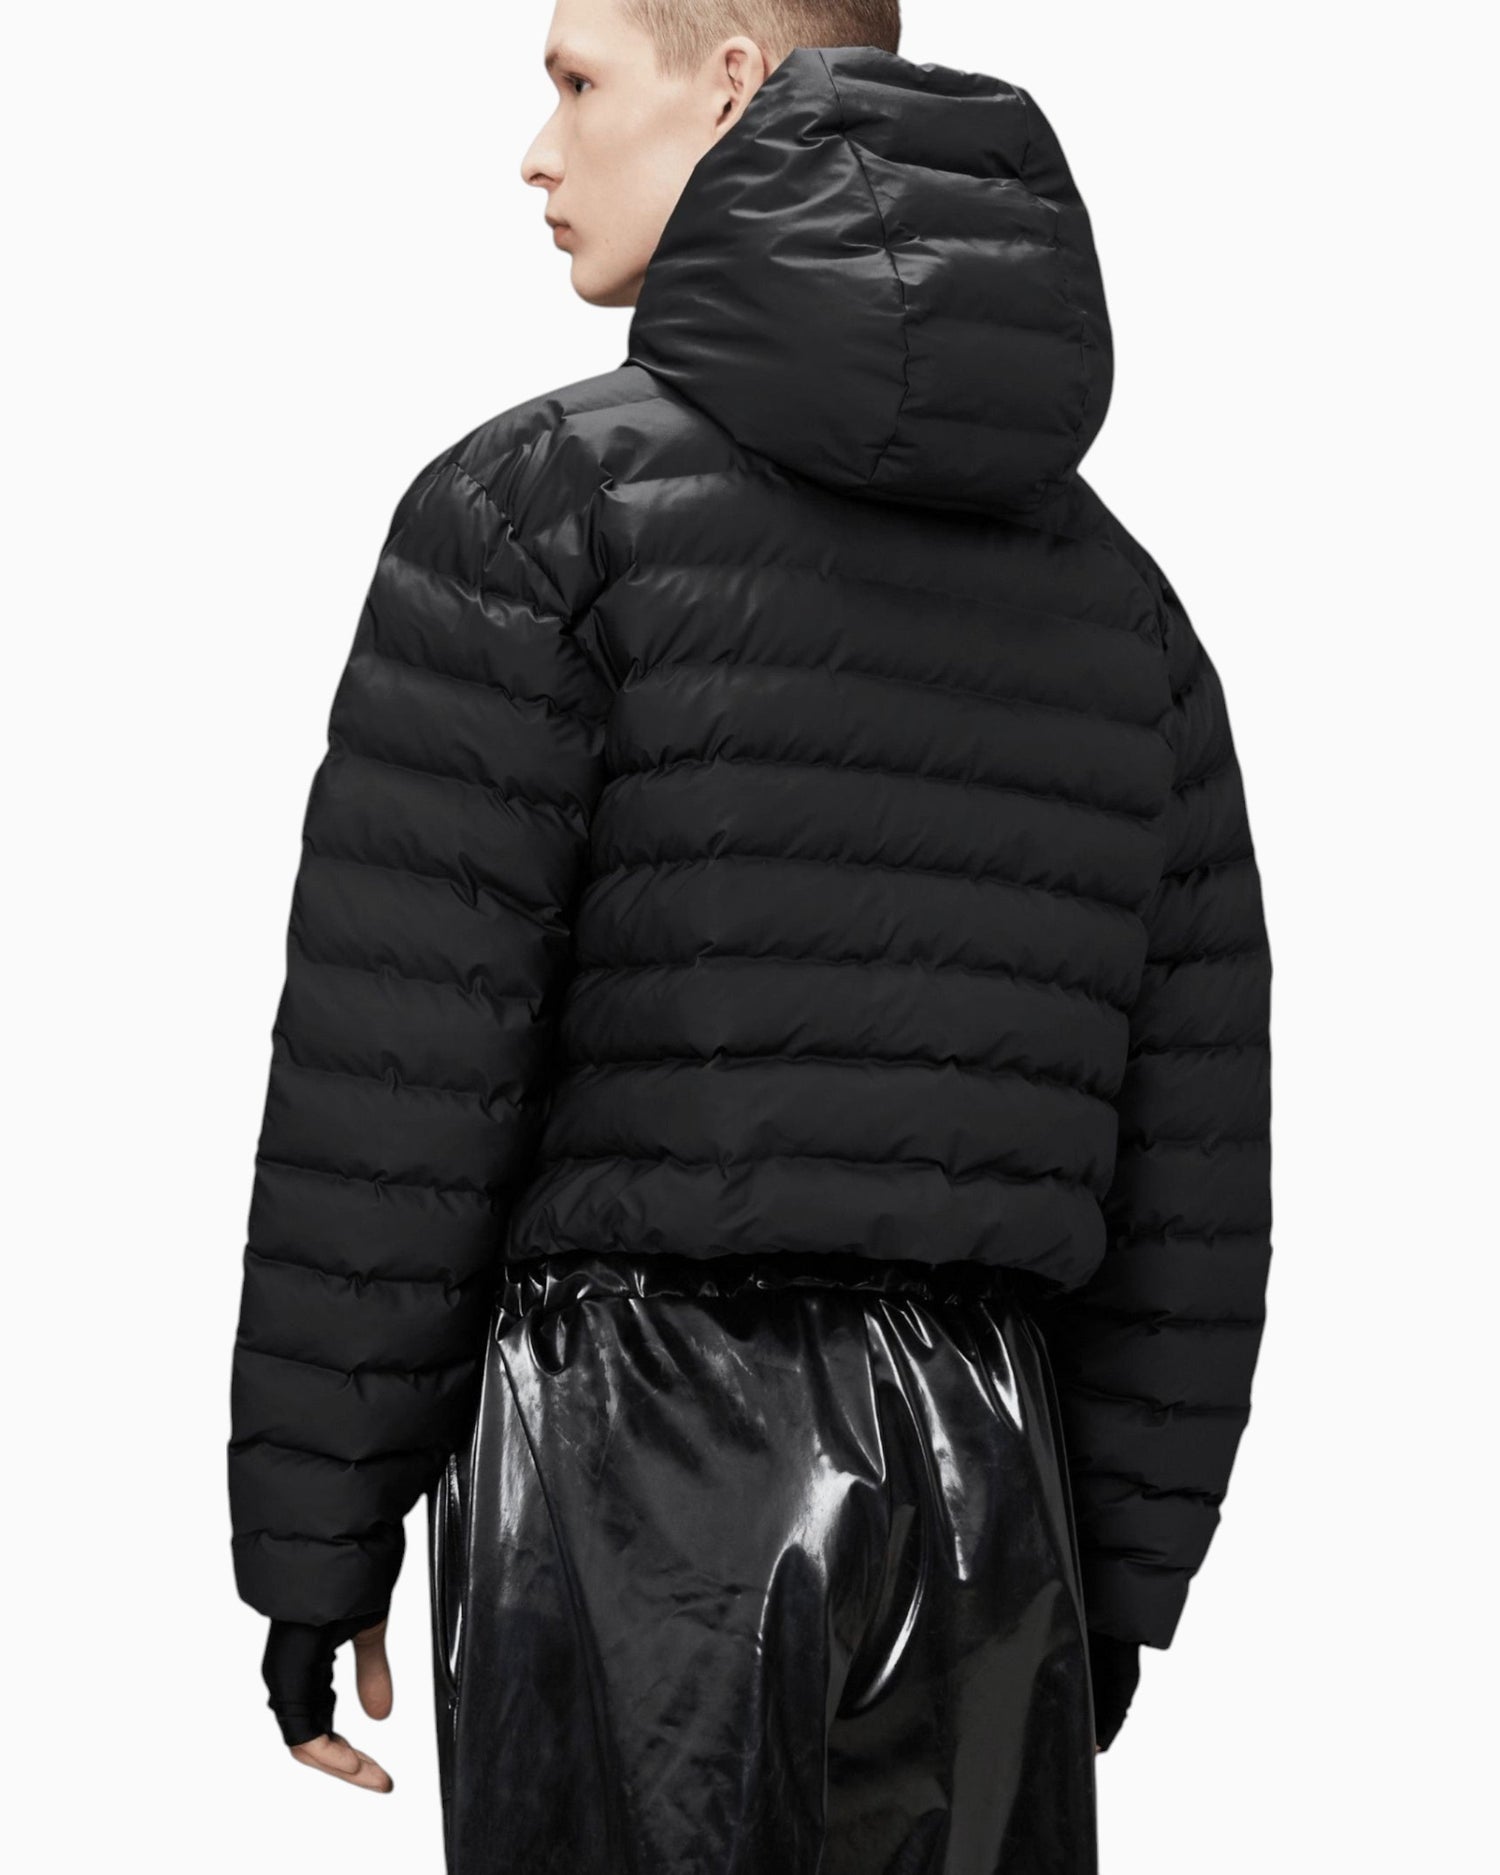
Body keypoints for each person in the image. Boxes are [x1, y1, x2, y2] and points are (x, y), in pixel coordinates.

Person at [228, 1, 1273, 1868]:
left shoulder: (538, 515)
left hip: (625, 1468)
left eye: (576, 82)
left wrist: (318, 1537)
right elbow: (1194, 1153)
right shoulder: (1129, 611)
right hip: (992, 1486)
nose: (536, 152)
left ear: (731, 83)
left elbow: (403, 1077)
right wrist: (1113, 1576)